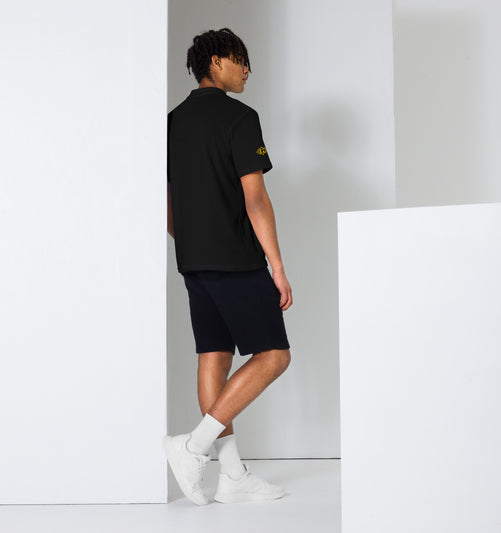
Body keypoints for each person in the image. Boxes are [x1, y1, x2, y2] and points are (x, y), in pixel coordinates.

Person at [163, 27, 293, 506]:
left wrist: (190, 241)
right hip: (237, 258)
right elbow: (255, 199)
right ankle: (193, 448)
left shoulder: (171, 122)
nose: (247, 70)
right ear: (215, 62)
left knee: (213, 356)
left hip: (192, 259)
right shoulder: (241, 117)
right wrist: (277, 265)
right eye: (240, 60)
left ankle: (233, 475)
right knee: (274, 356)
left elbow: (166, 200)